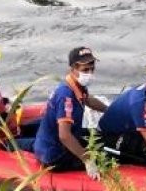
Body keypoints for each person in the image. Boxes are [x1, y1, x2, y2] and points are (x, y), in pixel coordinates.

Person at [33, 47, 108, 179]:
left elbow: (88, 99)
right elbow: (64, 136)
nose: (90, 73)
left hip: (53, 139)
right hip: (54, 154)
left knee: (100, 137)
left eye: (92, 69)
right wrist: (87, 160)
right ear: (73, 68)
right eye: (85, 70)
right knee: (104, 158)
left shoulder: (75, 84)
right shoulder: (66, 96)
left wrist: (108, 110)